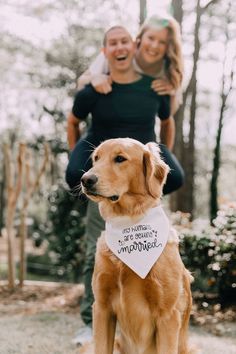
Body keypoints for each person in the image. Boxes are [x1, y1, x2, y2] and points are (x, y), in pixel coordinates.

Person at [66, 24, 184, 346]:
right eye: (111, 43)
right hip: (105, 168)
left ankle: (139, 209)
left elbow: (167, 121)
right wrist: (78, 152)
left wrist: (160, 153)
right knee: (95, 249)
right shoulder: (96, 85)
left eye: (124, 42)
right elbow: (73, 120)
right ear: (104, 51)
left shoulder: (153, 87)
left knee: (175, 179)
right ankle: (88, 323)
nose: (119, 48)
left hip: (133, 164)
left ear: (133, 46)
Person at [78, 13, 183, 116]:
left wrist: (171, 93)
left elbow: (169, 114)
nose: (154, 46)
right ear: (140, 38)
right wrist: (93, 79)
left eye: (162, 42)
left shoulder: (169, 69)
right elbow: (81, 83)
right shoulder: (120, 52)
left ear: (169, 47)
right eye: (151, 38)